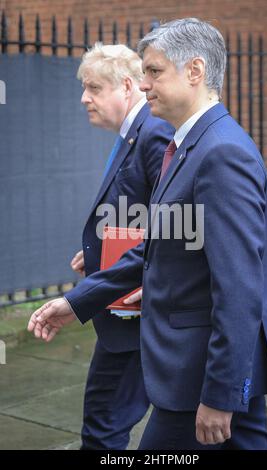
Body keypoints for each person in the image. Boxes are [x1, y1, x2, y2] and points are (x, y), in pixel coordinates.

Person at [28, 19, 267, 450]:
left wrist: (220, 395)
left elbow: (239, 287)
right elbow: (153, 248)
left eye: (154, 72)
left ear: (195, 71)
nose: (143, 84)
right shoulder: (190, 146)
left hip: (201, 369)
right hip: (194, 364)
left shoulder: (220, 153)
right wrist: (77, 301)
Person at [52, 43, 173, 450]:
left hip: (137, 316)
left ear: (126, 86)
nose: (84, 98)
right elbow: (145, 214)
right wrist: (104, 252)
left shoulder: (154, 134)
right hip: (127, 307)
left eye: (93, 87)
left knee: (103, 423)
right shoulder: (135, 132)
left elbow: (172, 224)